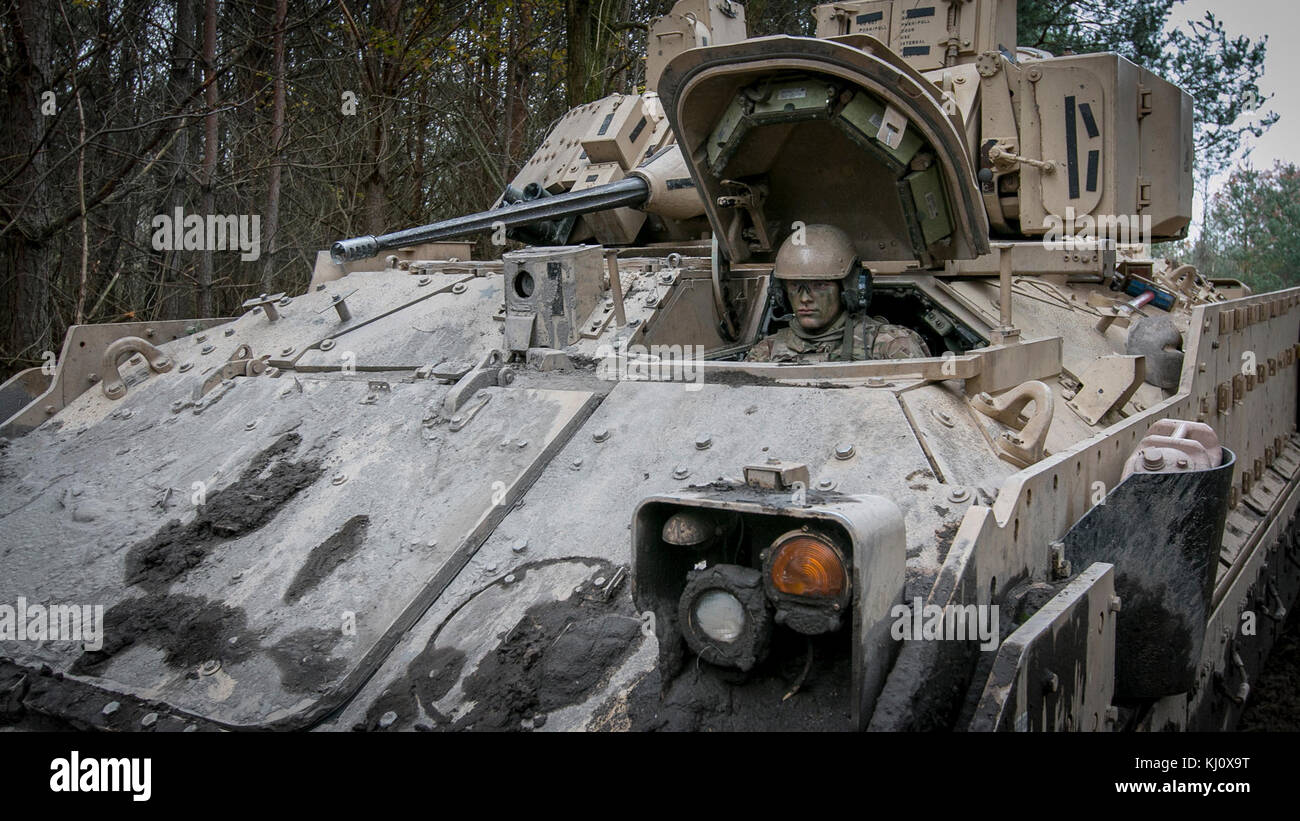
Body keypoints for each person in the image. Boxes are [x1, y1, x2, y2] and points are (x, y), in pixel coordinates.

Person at [745, 224, 930, 362]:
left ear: (848, 290)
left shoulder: (889, 346)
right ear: (781, 293)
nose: (804, 298)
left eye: (820, 286)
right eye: (795, 286)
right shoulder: (766, 352)